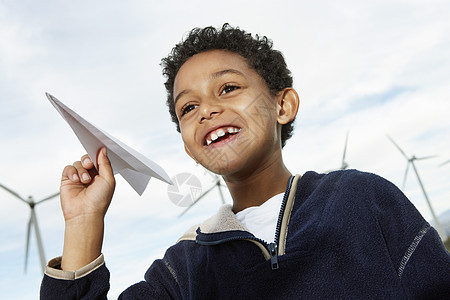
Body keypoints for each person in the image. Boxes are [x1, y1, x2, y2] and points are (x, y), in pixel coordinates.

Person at [40, 24, 450, 299]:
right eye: (188, 108)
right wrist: (83, 224)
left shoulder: (363, 197)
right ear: (188, 146)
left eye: (229, 88)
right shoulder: (182, 269)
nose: (206, 111)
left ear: (283, 105)